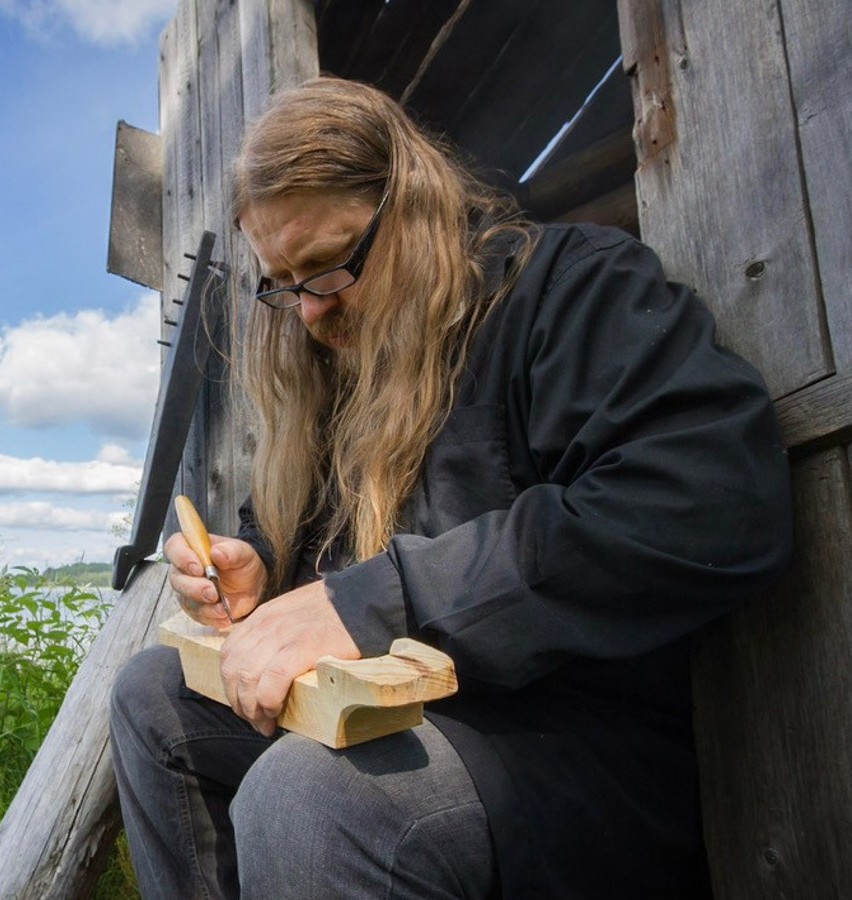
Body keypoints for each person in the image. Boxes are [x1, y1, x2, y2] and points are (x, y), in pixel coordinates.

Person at [110, 76, 792, 900]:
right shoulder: (343, 375)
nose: (309, 316)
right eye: (284, 284)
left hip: (563, 746)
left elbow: (705, 498)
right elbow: (316, 555)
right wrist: (256, 560)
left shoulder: (565, 290)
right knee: (154, 695)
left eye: (328, 267)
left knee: (308, 797)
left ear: (415, 208)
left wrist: (377, 602)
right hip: (376, 718)